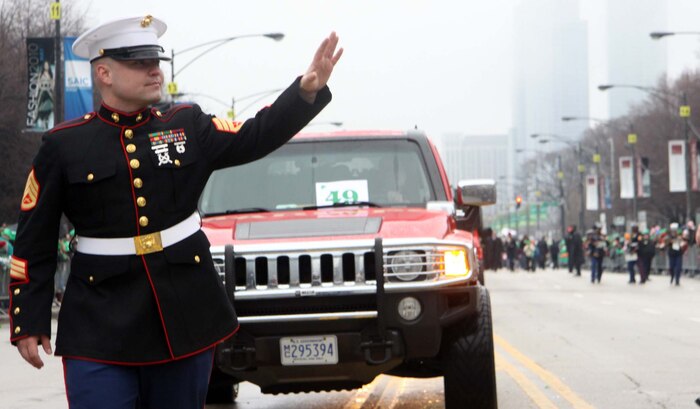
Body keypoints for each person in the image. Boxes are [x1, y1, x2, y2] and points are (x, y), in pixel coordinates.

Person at [8, 15, 342, 409]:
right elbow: (34, 238)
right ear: (104, 73)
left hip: (182, 315)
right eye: (138, 63)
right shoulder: (64, 146)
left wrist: (303, 92)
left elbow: (255, 134)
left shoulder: (187, 126)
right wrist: (26, 318)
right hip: (98, 320)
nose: (155, 70)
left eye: (156, 60)